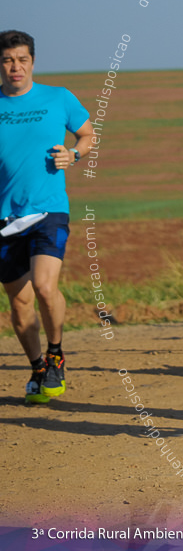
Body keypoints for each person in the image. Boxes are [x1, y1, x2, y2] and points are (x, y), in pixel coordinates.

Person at [0, 30, 95, 403]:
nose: (15, 67)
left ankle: (56, 351)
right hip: (5, 217)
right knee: (20, 308)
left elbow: (87, 135)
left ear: (33, 62)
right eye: (8, 60)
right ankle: (39, 367)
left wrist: (74, 154)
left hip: (49, 209)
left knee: (43, 286)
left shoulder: (59, 97)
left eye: (22, 59)